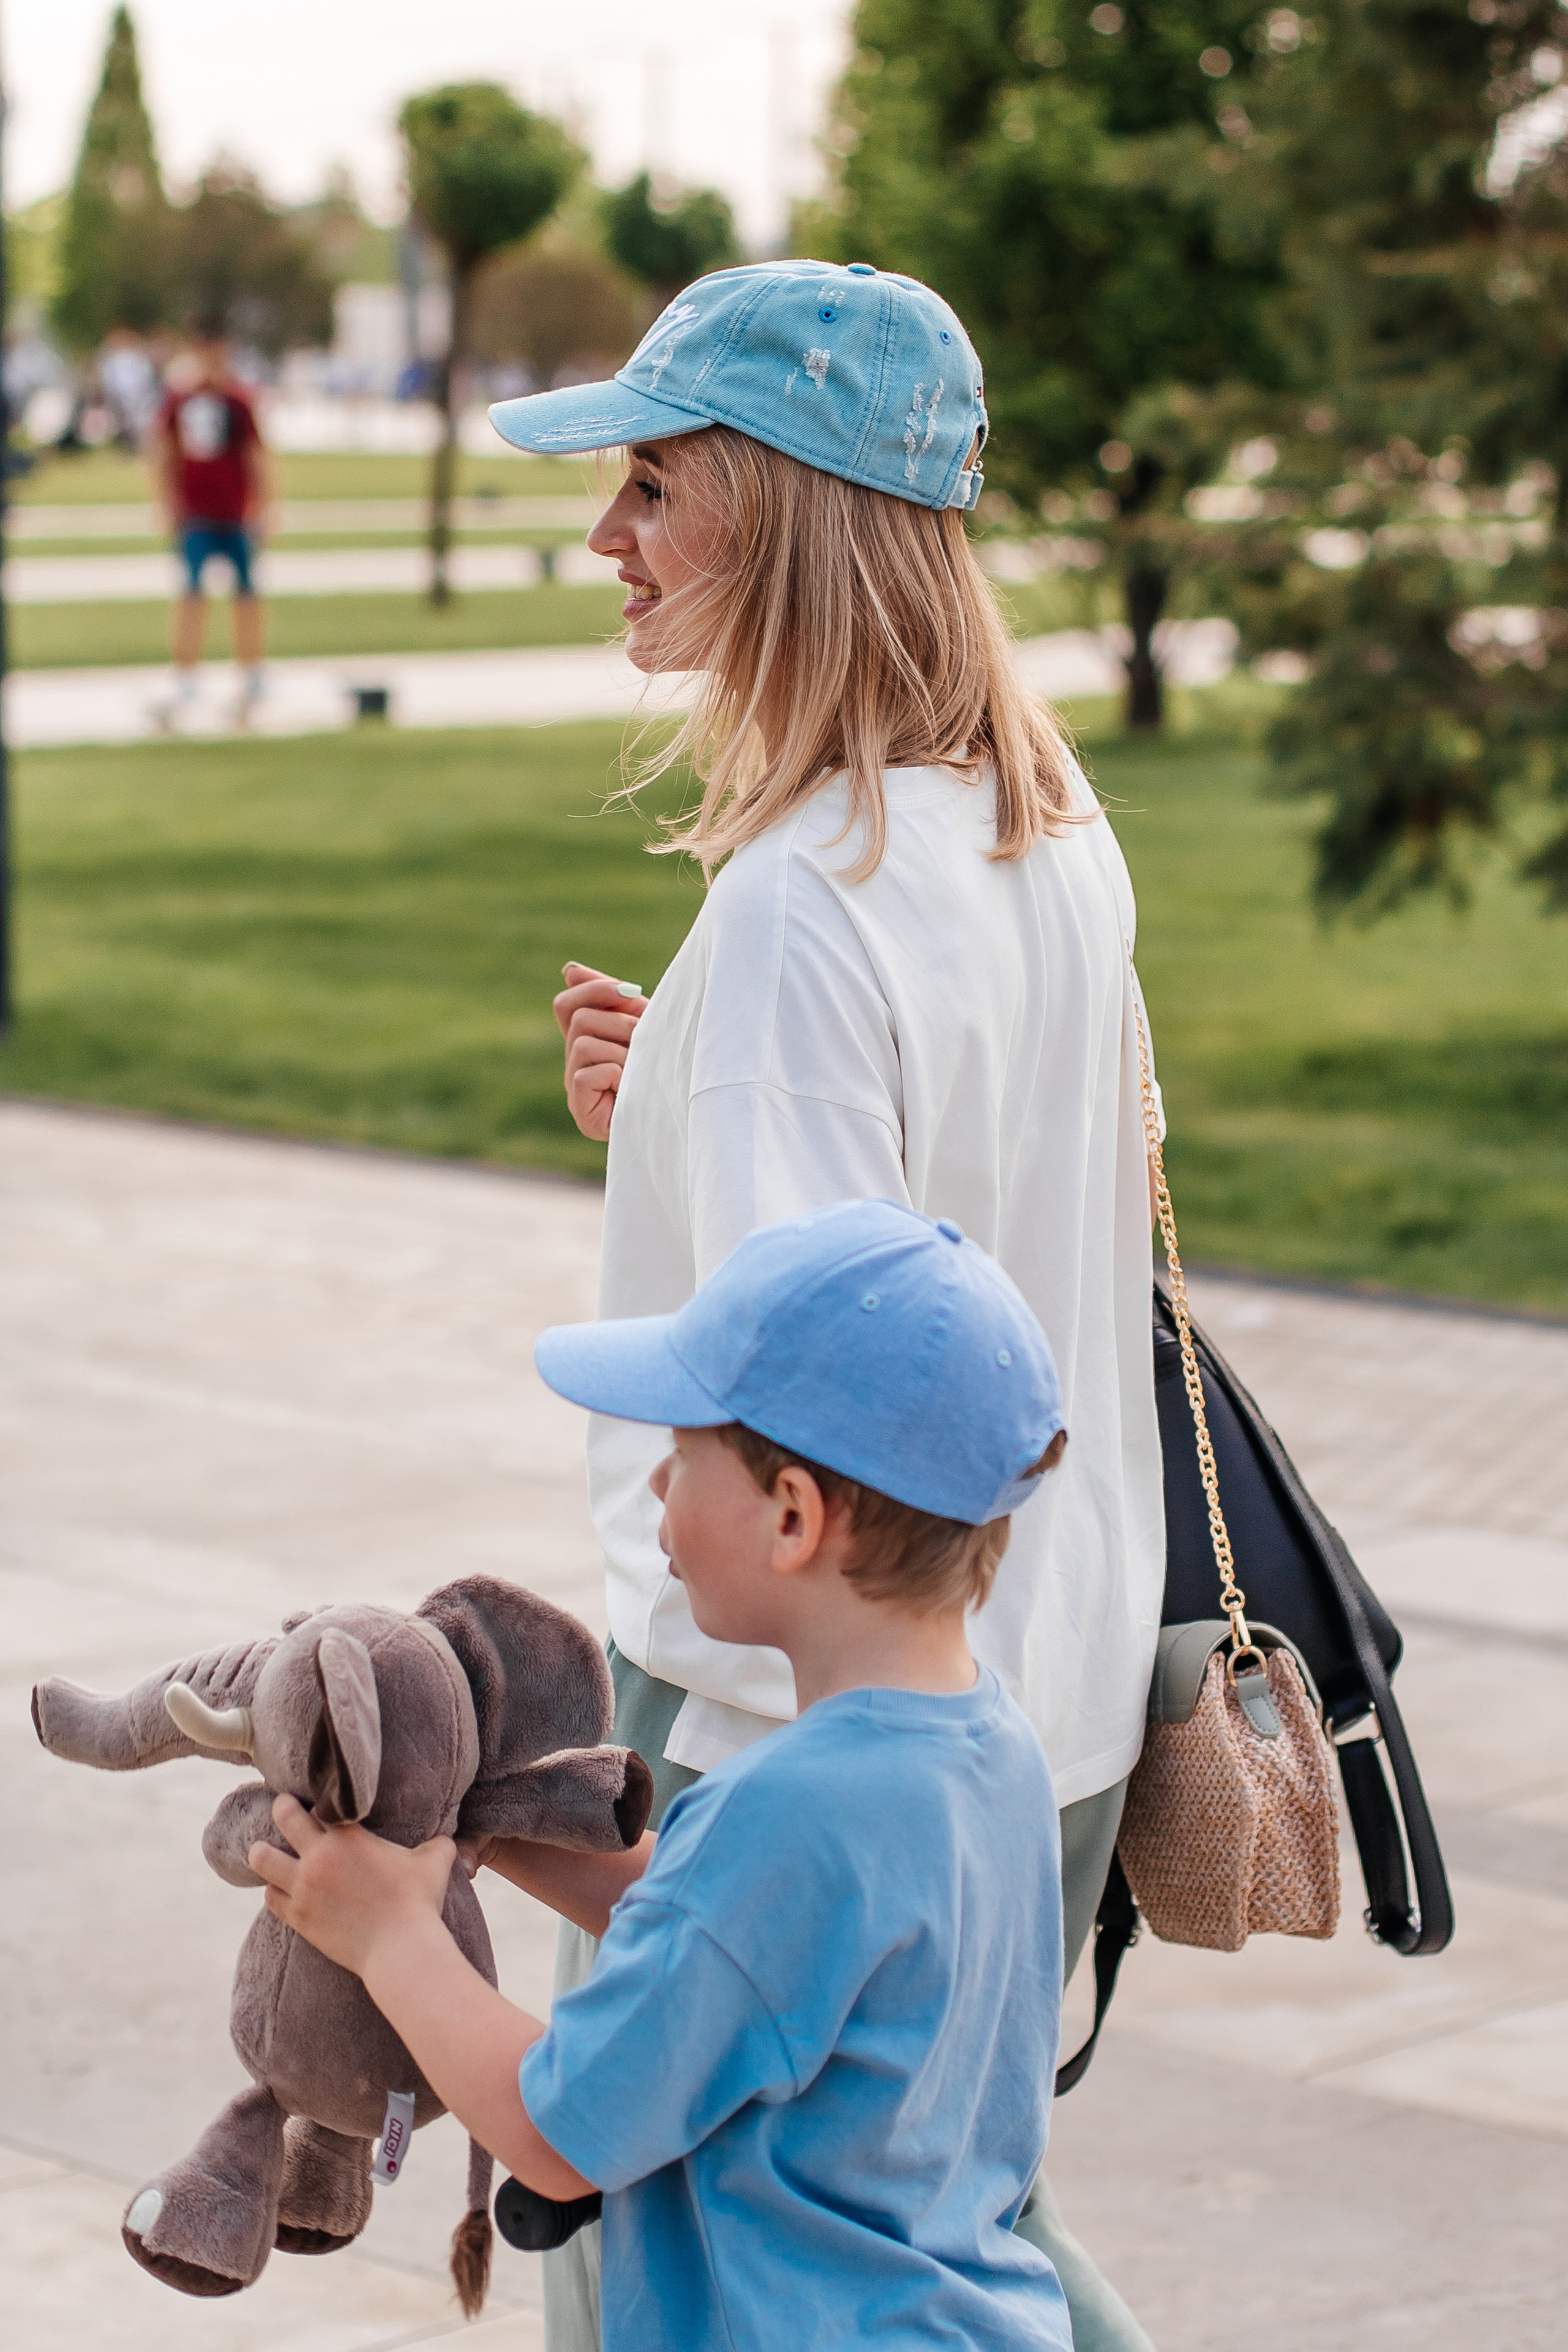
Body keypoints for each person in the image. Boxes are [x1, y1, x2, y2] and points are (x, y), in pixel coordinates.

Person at [488, 259, 1163, 2352]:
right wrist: (673, 1111)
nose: (610, 538)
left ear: (776, 514)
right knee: (948, 2233)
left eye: (654, 487)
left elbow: (802, 1400)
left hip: (796, 1707)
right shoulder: (1047, 832)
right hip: (1036, 1686)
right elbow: (1005, 1208)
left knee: (702, 2267)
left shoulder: (798, 898)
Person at [252, 1202, 1077, 2352]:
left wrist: (391, 1937)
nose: (653, 1491)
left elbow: (556, 2130)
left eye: (680, 1456)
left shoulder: (789, 1810)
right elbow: (762, 1959)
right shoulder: (988, 1752)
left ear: (791, 1516)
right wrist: (506, 1824)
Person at [150, 324, 274, 730]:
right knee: (191, 594)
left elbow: (256, 453)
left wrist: (265, 505)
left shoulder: (239, 400)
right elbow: (163, 452)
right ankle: (187, 676)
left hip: (234, 511)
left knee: (246, 595)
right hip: (196, 512)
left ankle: (252, 674)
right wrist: (165, 502)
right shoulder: (180, 399)